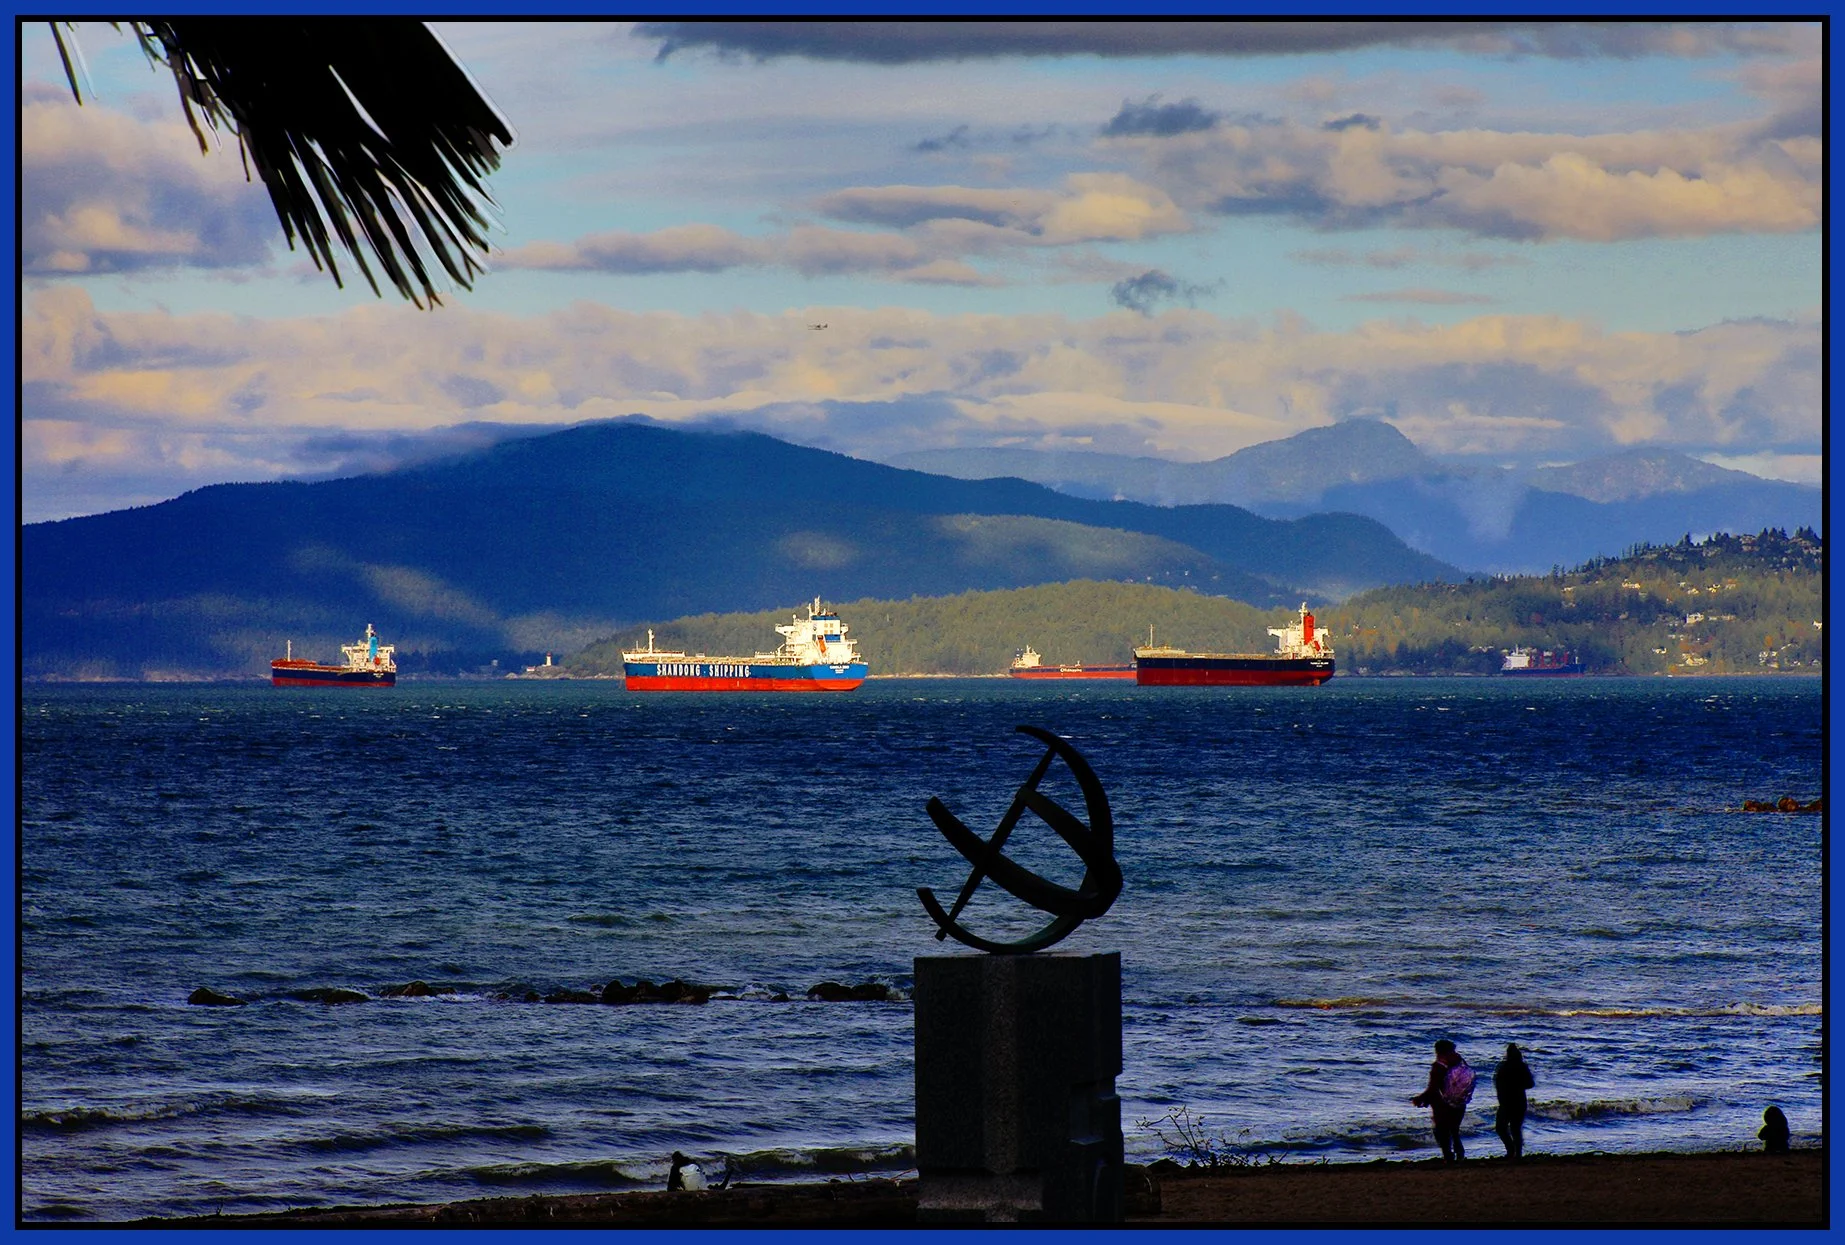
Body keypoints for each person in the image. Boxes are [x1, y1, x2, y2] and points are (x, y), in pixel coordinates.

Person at [1411, 1039, 1473, 1162]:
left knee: (1442, 1130)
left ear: (1438, 1051)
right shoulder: (1461, 1062)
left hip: (1442, 1105)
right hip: (1459, 1102)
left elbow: (1433, 1087)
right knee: (1454, 1130)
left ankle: (1448, 1156)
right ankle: (1460, 1154)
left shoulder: (1439, 1066)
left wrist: (1420, 1099)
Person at [1493, 1043, 1535, 1160]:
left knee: (1501, 1128)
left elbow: (1497, 1083)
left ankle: (1511, 1150)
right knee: (1516, 1128)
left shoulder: (1502, 1067)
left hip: (1506, 1102)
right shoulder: (1522, 1066)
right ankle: (1518, 1153)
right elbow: (1530, 1084)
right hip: (1519, 1101)